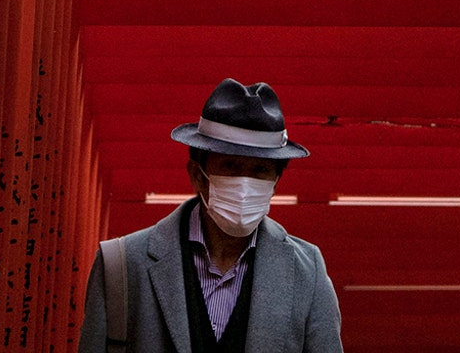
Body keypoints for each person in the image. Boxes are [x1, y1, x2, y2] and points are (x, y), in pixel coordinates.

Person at [78, 78, 343, 352]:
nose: (244, 183)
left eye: (260, 170)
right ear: (197, 175)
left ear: (275, 182)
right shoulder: (122, 266)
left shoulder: (306, 272)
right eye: (230, 165)